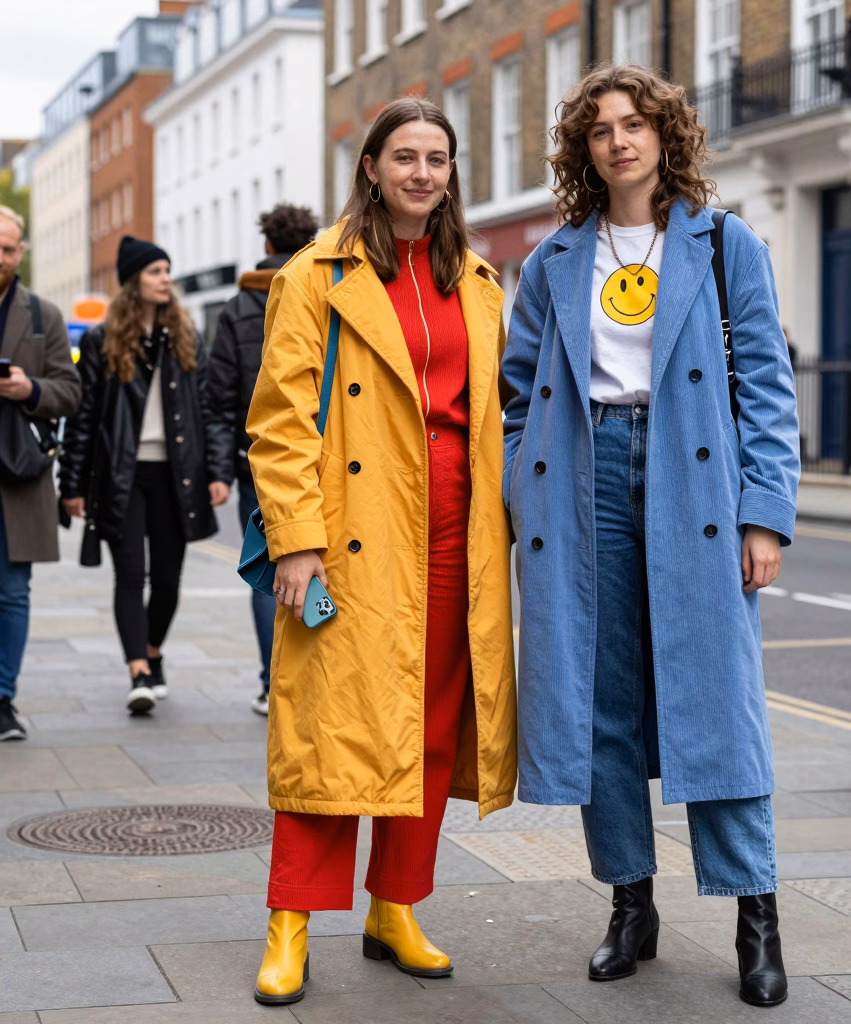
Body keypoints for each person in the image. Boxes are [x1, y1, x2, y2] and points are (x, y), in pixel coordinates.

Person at [501, 65, 800, 1007]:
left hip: (691, 476)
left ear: (665, 135)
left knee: (719, 701)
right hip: (584, 478)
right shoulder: (555, 260)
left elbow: (766, 385)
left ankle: (757, 912)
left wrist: (764, 515)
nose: (619, 141)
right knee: (606, 701)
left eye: (634, 124)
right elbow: (518, 392)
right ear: (583, 151)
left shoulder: (723, 245)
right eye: (600, 131)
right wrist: (524, 486)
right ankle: (632, 904)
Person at [244, 98, 517, 1006]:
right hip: (352, 533)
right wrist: (296, 543)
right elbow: (280, 424)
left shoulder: (477, 279)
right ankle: (290, 922)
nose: (422, 173)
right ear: (370, 166)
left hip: (456, 532)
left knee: (433, 728)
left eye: (438, 158)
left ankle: (395, 906)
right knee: (328, 730)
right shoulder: (316, 273)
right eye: (404, 156)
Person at [60, 237, 227, 715]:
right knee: (130, 574)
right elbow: (85, 417)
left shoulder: (186, 336)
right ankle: (138, 670)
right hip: (121, 477)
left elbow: (208, 410)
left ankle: (153, 650)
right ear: (134, 280)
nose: (166, 279)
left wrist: (217, 470)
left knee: (169, 581)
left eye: (168, 271)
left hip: (178, 477)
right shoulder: (102, 340)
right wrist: (71, 485)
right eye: (156, 271)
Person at [208, 202, 321, 716]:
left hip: (255, 458)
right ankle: (315, 677)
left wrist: (218, 468)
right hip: (322, 456)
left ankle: (271, 682)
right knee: (325, 566)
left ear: (267, 246)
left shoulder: (237, 309)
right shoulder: (325, 288)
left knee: (267, 568)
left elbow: (220, 394)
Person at [0, 205, 81, 740]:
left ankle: (3, 698)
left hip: (18, 475)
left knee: (12, 592)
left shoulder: (43, 314)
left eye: (8, 249)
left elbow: (70, 392)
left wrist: (30, 390)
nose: (0, 258)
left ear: (22, 251)